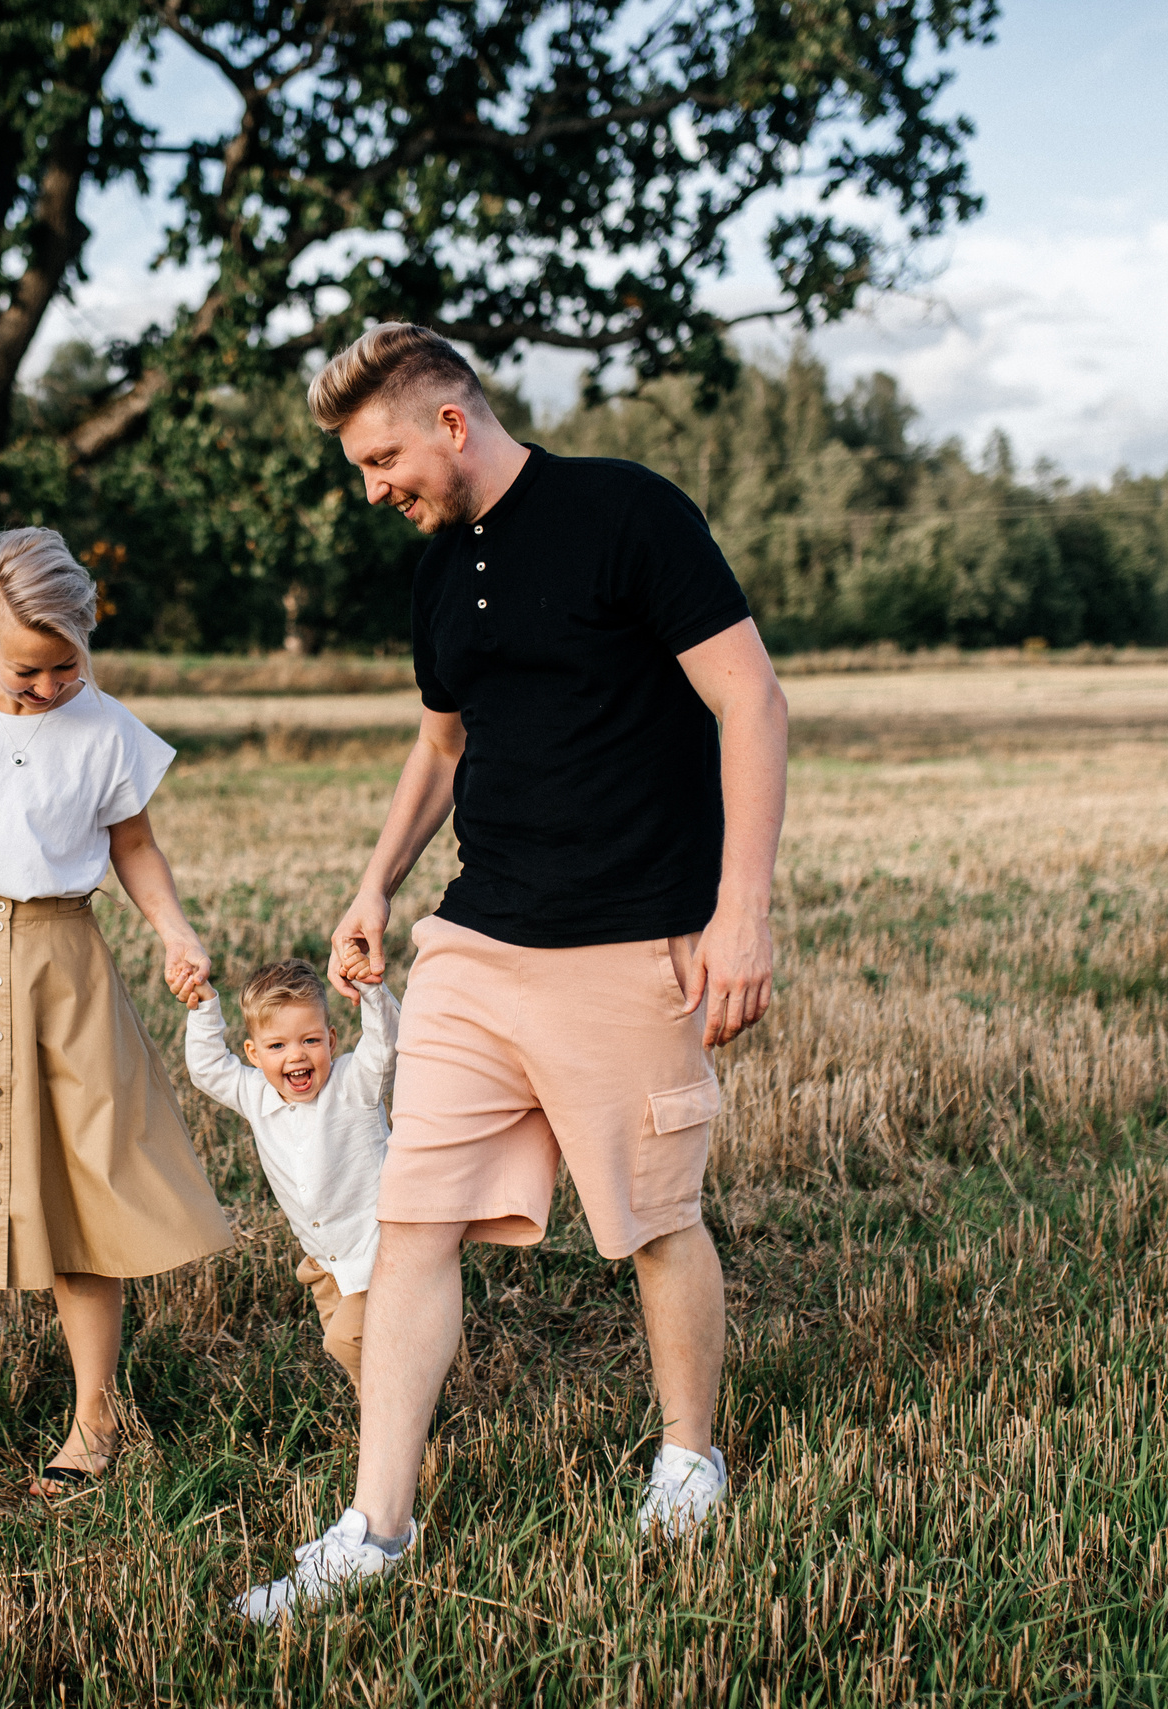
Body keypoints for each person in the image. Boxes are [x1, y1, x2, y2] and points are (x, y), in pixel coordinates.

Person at [233, 324, 789, 1623]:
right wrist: (377, 885)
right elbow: (441, 748)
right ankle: (376, 1525)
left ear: (449, 421)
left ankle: (688, 1457)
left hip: (629, 936)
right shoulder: (438, 579)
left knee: (652, 1218)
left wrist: (741, 912)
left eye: (378, 459)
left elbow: (751, 701)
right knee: (414, 1219)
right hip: (477, 939)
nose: (373, 489)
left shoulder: (625, 513)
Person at [0, 527, 231, 1508]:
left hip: (64, 969)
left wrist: (175, 930)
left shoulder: (108, 731)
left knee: (80, 1207)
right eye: (28, 667)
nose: (47, 685)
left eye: (66, 664)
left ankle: (93, 1420)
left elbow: (135, 847)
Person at [184, 956, 399, 1389]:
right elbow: (207, 1070)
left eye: (311, 1040)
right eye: (277, 1046)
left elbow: (386, 1045)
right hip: (324, 1265)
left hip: (376, 1252)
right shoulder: (256, 1094)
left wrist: (371, 989)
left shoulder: (353, 1084)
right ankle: (385, 1419)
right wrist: (205, 1007)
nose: (297, 1055)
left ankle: (400, 1414)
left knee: (348, 1344)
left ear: (332, 1040)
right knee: (366, 1358)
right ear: (253, 1053)